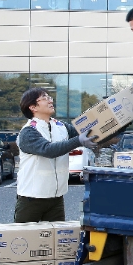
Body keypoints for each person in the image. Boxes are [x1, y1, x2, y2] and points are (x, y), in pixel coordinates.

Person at [15, 87, 98, 223]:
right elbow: (48, 150)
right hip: (31, 198)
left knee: (56, 236)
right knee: (25, 235)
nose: (50, 100)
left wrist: (116, 125)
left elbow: (90, 133)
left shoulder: (61, 126)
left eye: (50, 97)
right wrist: (78, 140)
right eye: (44, 98)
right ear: (33, 107)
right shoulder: (28, 131)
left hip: (56, 198)